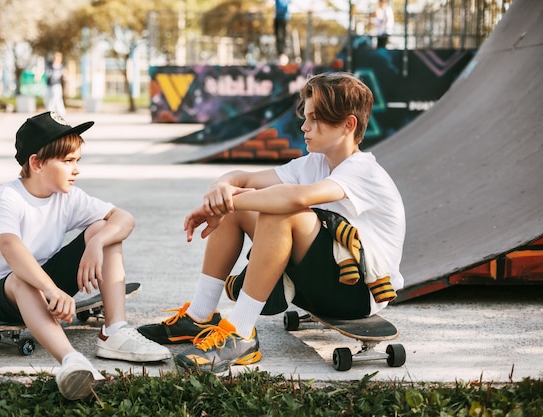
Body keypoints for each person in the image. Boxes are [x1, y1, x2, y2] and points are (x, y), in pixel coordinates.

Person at [137, 72, 406, 374]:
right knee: (244, 207)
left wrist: (229, 200)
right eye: (306, 117)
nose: (305, 126)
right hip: (321, 282)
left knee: (280, 211)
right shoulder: (314, 163)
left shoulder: (363, 172)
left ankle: (240, 333)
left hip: (356, 294)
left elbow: (296, 199)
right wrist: (219, 191)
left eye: (316, 119)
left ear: (348, 124)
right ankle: (199, 315)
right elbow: (243, 179)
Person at [0, 111, 171, 400]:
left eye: (77, 161)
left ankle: (115, 330)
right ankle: (72, 361)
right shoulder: (9, 197)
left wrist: (97, 243)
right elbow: (10, 247)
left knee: (105, 227)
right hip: (6, 292)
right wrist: (50, 289)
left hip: (51, 286)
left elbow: (124, 218)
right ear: (36, 163)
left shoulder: (67, 197)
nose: (76, 169)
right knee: (22, 281)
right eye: (68, 161)